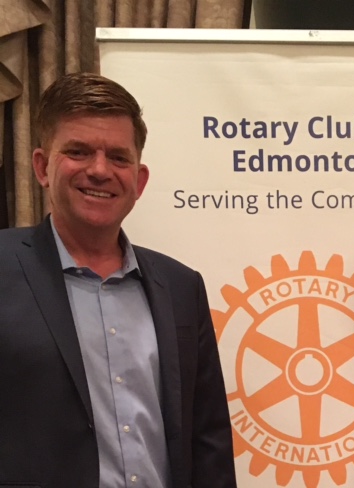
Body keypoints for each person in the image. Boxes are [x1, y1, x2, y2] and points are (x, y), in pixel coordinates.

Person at [0, 72, 237, 488]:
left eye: (118, 157)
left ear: (139, 180)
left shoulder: (181, 288)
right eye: (78, 151)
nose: (99, 170)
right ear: (41, 166)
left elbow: (208, 441)